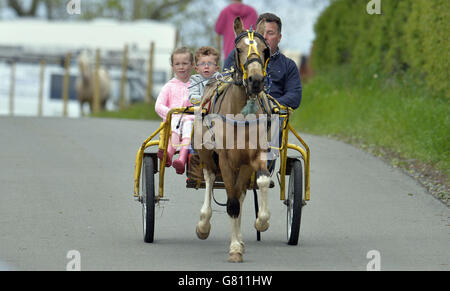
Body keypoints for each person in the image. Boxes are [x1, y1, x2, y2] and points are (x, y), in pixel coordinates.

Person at [223, 12, 302, 110]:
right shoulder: (237, 56)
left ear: (279, 38)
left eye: (270, 33)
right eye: (261, 32)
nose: (264, 37)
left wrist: (267, 105)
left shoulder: (288, 65)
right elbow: (224, 86)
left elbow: (294, 97)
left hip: (274, 118)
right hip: (238, 117)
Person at [155, 47, 194, 175]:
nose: (181, 67)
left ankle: (181, 159)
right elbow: (158, 105)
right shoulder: (169, 86)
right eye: (177, 64)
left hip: (191, 122)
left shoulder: (196, 86)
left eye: (185, 63)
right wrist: (171, 113)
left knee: (188, 123)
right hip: (173, 122)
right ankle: (169, 154)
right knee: (176, 119)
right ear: (172, 66)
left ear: (192, 65)